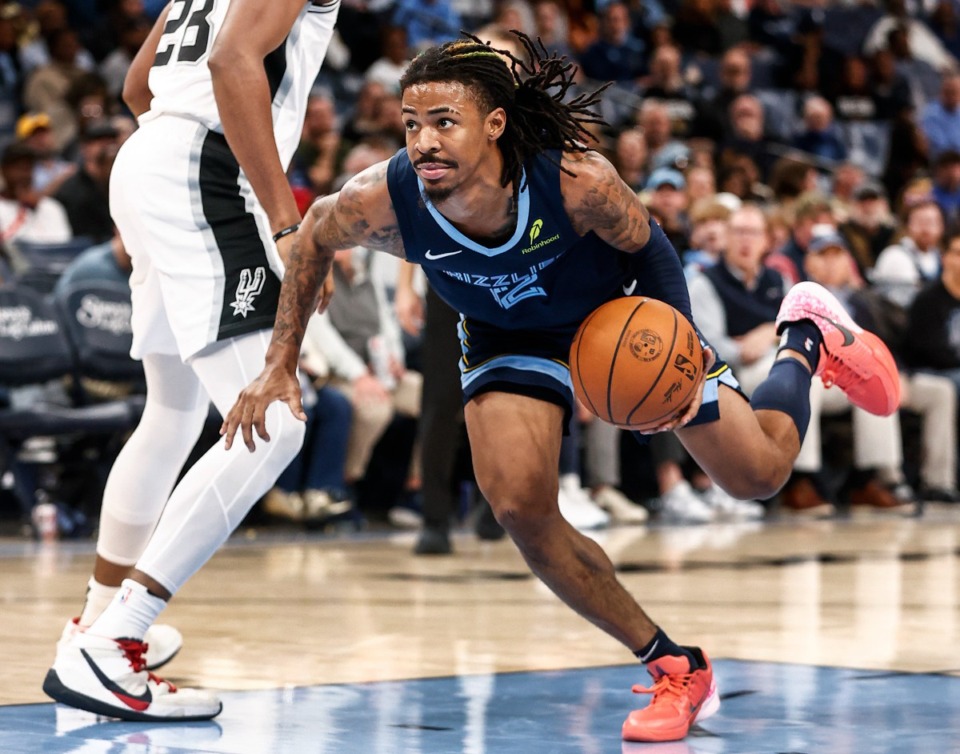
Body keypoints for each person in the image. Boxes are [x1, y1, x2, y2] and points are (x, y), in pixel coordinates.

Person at [222, 33, 901, 743]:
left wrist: (675, 359)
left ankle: (804, 335)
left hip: (614, 317)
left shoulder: (579, 181)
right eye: (412, 123)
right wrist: (279, 364)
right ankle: (676, 665)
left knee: (759, 475)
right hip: (504, 335)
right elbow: (309, 239)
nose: (423, 141)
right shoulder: (385, 197)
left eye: (444, 121)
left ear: (495, 123)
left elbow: (652, 251)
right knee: (519, 506)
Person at [44, 0, 341, 722]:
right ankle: (115, 642)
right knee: (275, 424)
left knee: (174, 413)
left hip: (152, 160)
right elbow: (232, 60)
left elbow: (139, 84)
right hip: (203, 170)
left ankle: (94, 622)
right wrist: (287, 224)